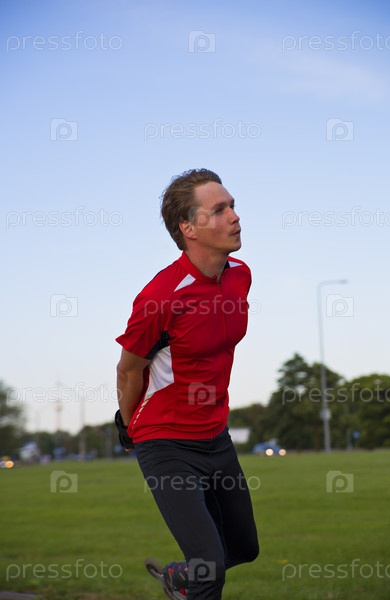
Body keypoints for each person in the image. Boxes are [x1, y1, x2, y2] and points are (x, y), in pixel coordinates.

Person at [115, 168, 259, 600]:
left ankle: (179, 576)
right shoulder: (160, 297)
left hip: (215, 435)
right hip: (167, 442)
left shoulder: (240, 274)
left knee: (243, 549)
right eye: (219, 210)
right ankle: (194, 579)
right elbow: (129, 370)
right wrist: (128, 425)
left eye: (233, 206)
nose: (235, 216)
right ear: (188, 228)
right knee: (210, 568)